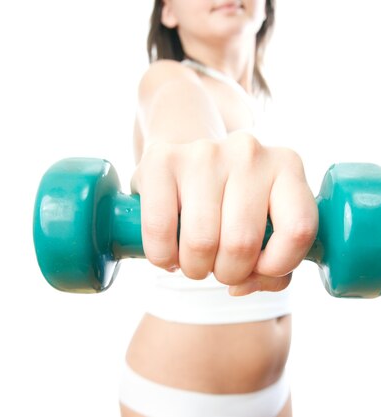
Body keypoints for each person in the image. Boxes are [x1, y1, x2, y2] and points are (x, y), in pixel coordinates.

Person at [120, 1, 318, 416]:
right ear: (168, 13)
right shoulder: (171, 77)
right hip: (178, 396)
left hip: (274, 393)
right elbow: (184, 127)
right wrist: (195, 157)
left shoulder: (260, 110)